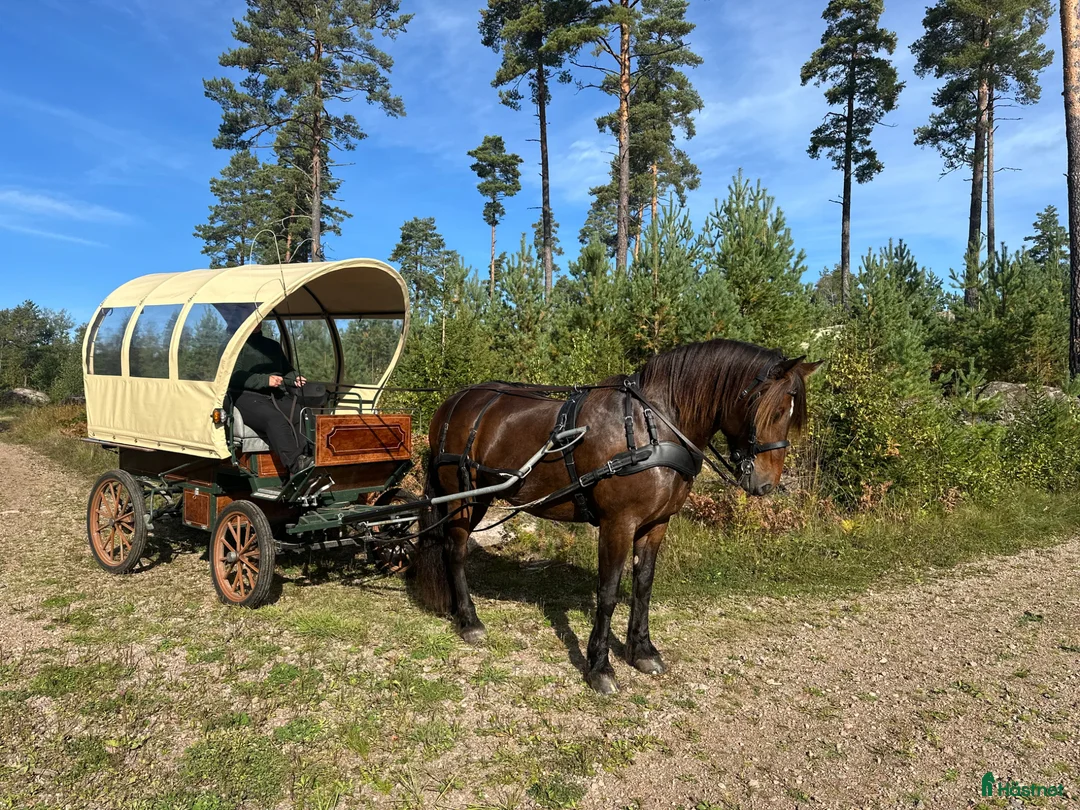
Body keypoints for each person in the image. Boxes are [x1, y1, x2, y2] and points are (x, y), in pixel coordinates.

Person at [229, 321, 314, 477]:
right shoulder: (234, 345)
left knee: (304, 414)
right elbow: (233, 376)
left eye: (259, 317)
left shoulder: (272, 346)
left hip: (275, 394)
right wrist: (264, 380)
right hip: (246, 396)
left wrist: (294, 378)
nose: (257, 322)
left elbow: (287, 371)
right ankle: (296, 466)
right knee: (275, 419)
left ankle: (311, 457)